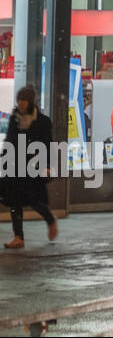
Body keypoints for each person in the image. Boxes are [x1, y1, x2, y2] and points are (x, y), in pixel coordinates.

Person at [3, 86, 57, 249]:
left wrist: (46, 165)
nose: (20, 104)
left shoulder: (42, 122)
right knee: (14, 201)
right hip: (14, 165)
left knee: (33, 200)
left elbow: (47, 145)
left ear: (30, 102)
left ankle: (50, 219)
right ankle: (18, 236)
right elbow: (9, 140)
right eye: (19, 100)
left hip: (33, 166)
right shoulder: (15, 119)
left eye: (24, 101)